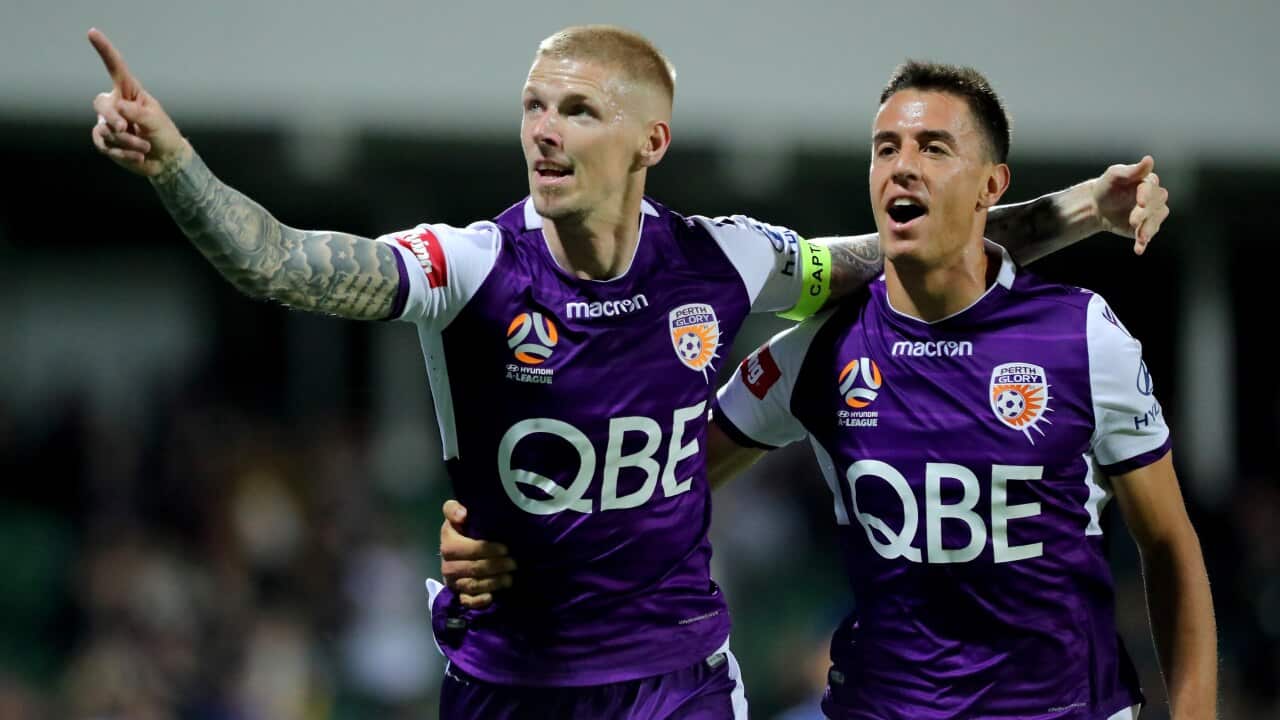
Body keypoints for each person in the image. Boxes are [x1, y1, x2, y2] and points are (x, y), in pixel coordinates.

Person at [89, 22, 1170, 719]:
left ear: (648, 139)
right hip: (508, 681)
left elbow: (919, 248)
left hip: (679, 679)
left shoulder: (726, 262)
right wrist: (173, 164)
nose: (542, 132)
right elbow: (276, 263)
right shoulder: (468, 267)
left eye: (576, 109)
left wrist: (1085, 209)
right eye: (532, 107)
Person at [709, 62, 1213, 719]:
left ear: (991, 186)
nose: (902, 164)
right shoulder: (817, 351)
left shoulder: (1081, 336)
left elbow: (1169, 547)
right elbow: (672, 473)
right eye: (885, 148)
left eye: (933, 147)